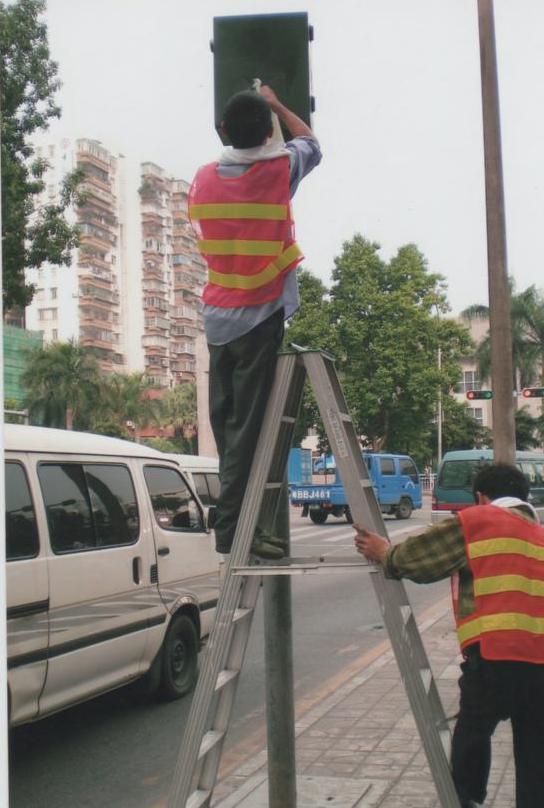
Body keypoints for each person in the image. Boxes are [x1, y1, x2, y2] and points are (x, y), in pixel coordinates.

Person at [353, 462, 544, 808]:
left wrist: (385, 553)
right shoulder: (540, 536)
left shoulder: (480, 520)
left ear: (482, 496)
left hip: (496, 655)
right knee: (535, 757)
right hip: (541, 665)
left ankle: (466, 799)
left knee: (473, 730)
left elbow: (423, 560)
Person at [189, 86, 321, 558]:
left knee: (225, 426)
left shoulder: (202, 179)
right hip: (259, 316)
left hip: (217, 320)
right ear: (269, 132)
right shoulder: (278, 170)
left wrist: (261, 120)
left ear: (222, 130)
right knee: (247, 430)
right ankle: (234, 530)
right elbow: (311, 142)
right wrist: (277, 103)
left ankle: (232, 519)